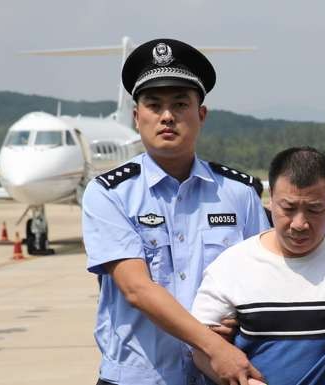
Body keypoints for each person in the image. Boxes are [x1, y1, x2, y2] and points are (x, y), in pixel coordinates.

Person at [82, 38, 271, 385]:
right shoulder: (109, 194)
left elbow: (263, 283)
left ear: (201, 114)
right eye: (154, 105)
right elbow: (136, 288)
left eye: (180, 104)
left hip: (220, 376)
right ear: (137, 118)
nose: (167, 116)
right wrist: (214, 344)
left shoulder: (239, 193)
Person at [191, 147, 325, 385]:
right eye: (288, 208)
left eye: (314, 210)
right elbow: (201, 349)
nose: (299, 224)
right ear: (271, 199)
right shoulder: (231, 266)